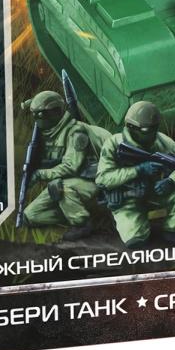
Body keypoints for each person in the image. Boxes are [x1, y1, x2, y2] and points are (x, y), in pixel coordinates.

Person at [95, 101, 175, 246]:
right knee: (136, 240)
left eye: (155, 128)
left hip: (156, 191)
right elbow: (102, 178)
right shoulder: (114, 144)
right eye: (146, 130)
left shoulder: (163, 142)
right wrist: (138, 170)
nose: (152, 133)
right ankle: (125, 224)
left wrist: (171, 181)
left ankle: (173, 229)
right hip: (128, 197)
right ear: (130, 126)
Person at [19, 90, 108, 241]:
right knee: (30, 216)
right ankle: (79, 212)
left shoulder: (76, 133)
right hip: (77, 181)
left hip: (99, 180)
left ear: (56, 112)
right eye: (35, 115)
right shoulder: (51, 133)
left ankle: (82, 223)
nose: (38, 119)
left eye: (41, 114)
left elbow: (71, 167)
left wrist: (40, 174)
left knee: (60, 187)